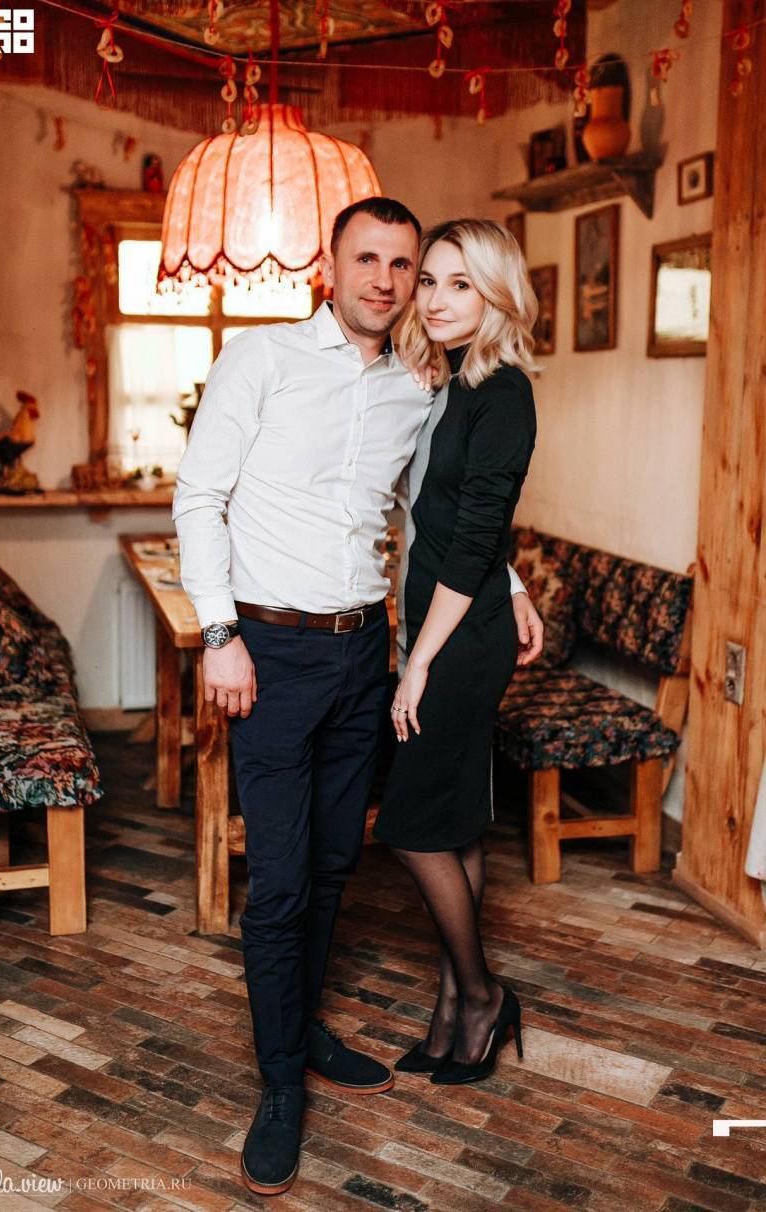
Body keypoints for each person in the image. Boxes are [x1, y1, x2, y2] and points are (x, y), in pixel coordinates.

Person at [173, 198, 543, 1196]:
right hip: (267, 652)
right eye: (367, 259)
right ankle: (279, 1085)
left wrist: (508, 583)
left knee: (337, 863)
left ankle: (304, 1032)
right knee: (281, 881)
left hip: (360, 654)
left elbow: (453, 505)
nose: (386, 280)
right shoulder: (261, 360)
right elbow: (198, 496)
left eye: (403, 264)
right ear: (327, 267)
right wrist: (219, 636)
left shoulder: (422, 385)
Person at [373, 218, 538, 1086]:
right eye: (430, 281)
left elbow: (472, 541)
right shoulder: (454, 379)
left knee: (409, 826)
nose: (434, 299)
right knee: (455, 823)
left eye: (459, 284)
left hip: (461, 643)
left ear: (496, 292)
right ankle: (449, 1015)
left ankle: (482, 996)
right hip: (450, 621)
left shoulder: (503, 392)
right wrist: (515, 581)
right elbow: (455, 521)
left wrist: (419, 662)